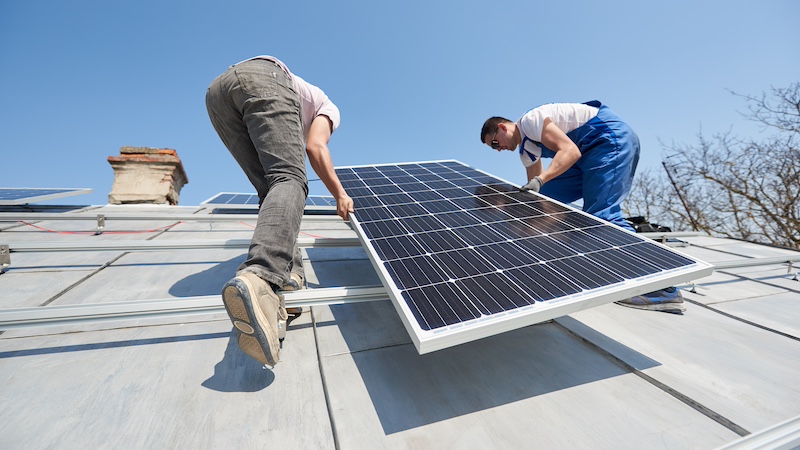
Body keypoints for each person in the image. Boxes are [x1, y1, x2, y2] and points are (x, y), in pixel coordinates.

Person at [206, 56, 354, 366]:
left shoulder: (301, 102)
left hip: (218, 93)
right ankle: (261, 277)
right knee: (290, 179)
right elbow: (316, 148)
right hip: (265, 77)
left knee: (272, 190)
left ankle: (288, 278)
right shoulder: (330, 109)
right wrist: (340, 194)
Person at [480, 101, 685, 313]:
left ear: (503, 128)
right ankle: (575, 247)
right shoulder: (527, 151)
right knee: (546, 201)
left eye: (495, 143)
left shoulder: (530, 121)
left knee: (602, 218)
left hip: (607, 140)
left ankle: (662, 286)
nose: (498, 150)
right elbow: (536, 199)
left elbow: (569, 151)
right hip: (587, 154)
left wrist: (540, 180)